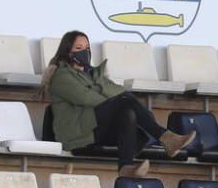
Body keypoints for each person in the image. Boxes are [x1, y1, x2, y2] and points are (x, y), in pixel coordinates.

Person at [41, 31, 195, 178]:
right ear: (68, 51)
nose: (85, 52)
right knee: (123, 102)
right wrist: (110, 97)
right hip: (75, 133)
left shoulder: (94, 74)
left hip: (93, 129)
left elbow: (118, 91)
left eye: (87, 48)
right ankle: (166, 138)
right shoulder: (61, 76)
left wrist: (109, 93)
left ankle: (125, 167)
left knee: (133, 122)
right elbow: (88, 99)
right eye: (79, 48)